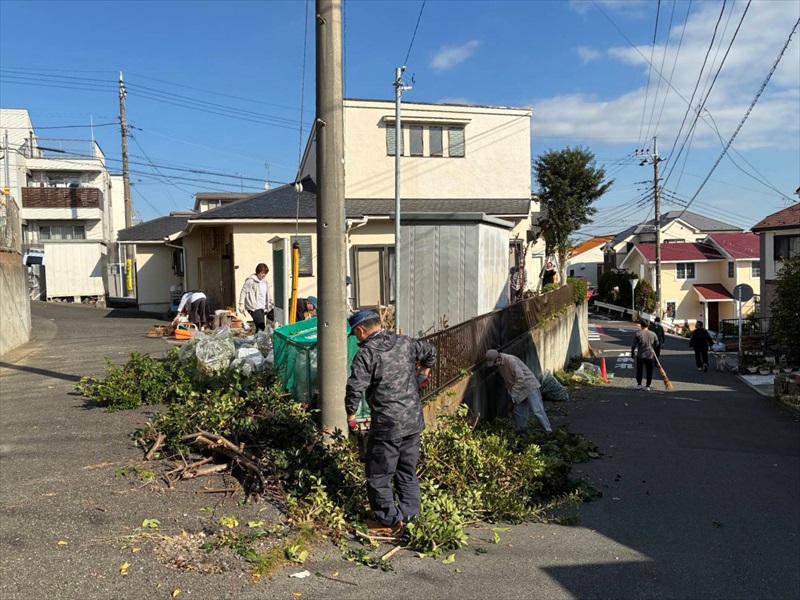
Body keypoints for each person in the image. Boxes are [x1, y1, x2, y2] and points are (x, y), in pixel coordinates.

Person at [344, 309, 437, 536]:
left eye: (355, 334)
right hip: (413, 420)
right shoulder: (405, 342)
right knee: (407, 470)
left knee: (378, 475)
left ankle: (390, 521)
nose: (356, 338)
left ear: (360, 330)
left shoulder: (367, 353)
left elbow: (355, 387)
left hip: (387, 424)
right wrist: (422, 375)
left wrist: (351, 415)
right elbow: (431, 352)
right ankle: (411, 518)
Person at [485, 349, 552, 432]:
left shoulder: (511, 361)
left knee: (537, 410)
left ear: (498, 357)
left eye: (494, 362)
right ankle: (521, 433)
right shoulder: (500, 364)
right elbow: (508, 379)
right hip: (517, 389)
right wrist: (511, 393)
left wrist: (513, 393)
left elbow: (521, 378)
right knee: (519, 413)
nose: (494, 364)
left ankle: (548, 431)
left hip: (529, 386)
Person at [239, 263, 270, 332]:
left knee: (261, 327)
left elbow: (267, 294)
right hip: (253, 307)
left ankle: (257, 341)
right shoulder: (251, 281)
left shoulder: (264, 282)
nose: (264, 275)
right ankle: (260, 341)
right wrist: (241, 304)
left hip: (262, 307)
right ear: (258, 272)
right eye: (262, 273)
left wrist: (270, 302)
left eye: (265, 273)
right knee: (261, 327)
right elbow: (244, 291)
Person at [631, 318, 658, 391]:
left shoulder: (638, 333)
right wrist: (653, 347)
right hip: (650, 355)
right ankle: (647, 386)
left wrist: (632, 352)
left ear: (641, 326)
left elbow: (633, 344)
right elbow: (657, 343)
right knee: (649, 371)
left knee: (639, 370)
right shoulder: (653, 334)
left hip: (640, 355)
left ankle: (639, 384)